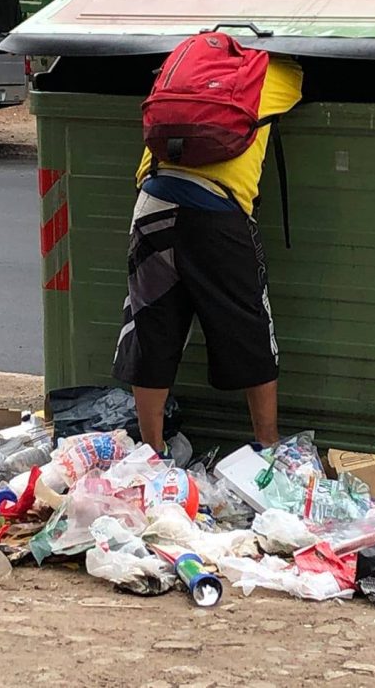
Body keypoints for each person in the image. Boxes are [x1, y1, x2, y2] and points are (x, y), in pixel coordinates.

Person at [112, 54, 303, 453]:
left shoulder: (182, 69)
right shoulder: (277, 71)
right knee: (250, 326)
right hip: (216, 212)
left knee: (152, 325)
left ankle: (151, 453)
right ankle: (267, 449)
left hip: (152, 202)